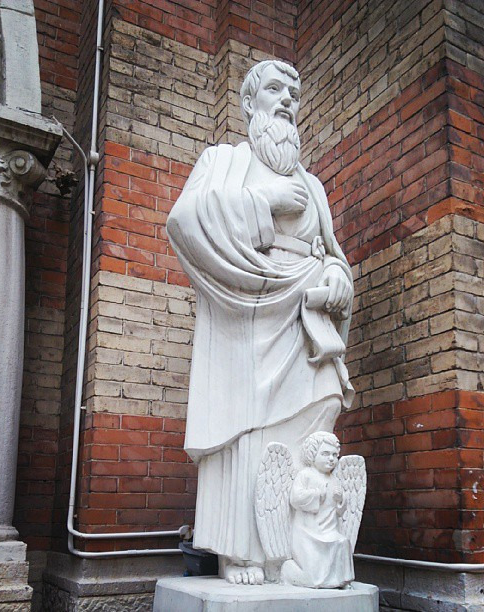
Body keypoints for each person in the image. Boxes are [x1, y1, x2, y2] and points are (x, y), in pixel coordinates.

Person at [166, 60, 354, 585]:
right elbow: (184, 220)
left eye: (294, 92)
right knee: (250, 431)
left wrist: (337, 276)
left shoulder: (313, 185)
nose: (288, 99)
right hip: (245, 316)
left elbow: (333, 254)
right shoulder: (223, 162)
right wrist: (262, 201)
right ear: (250, 103)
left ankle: (300, 552)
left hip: (305, 320)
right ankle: (243, 553)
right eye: (275, 89)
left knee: (322, 406)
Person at [280, 432, 354, 588]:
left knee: (342, 542)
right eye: (325, 454)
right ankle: (288, 571)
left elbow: (340, 511)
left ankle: (342, 580)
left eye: (334, 455)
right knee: (312, 578)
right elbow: (295, 499)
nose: (331, 459)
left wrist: (341, 499)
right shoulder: (306, 475)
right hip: (307, 532)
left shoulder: (334, 479)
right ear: (312, 455)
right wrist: (317, 494)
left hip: (329, 530)